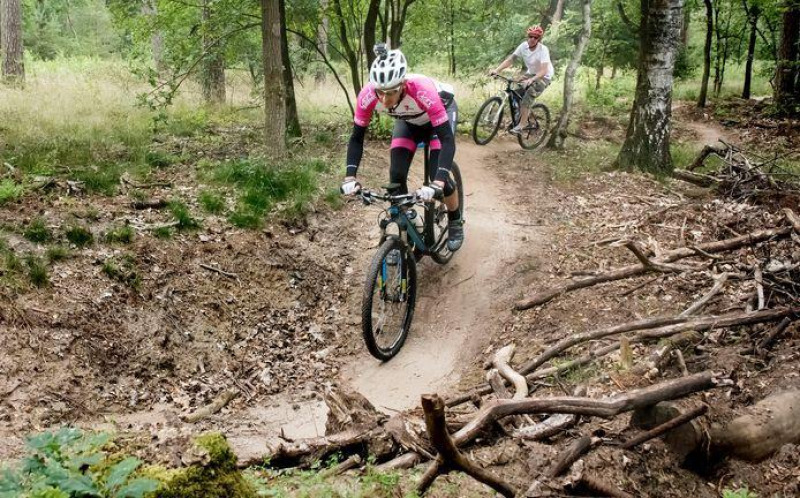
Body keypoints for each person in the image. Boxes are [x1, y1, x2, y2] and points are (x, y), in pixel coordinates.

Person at [341, 44, 463, 252]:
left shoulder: (422, 90)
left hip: (437, 122)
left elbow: (447, 140)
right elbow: (356, 138)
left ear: (403, 85)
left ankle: (455, 221)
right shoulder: (368, 95)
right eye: (380, 93)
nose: (384, 100)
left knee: (439, 177)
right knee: (396, 176)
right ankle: (409, 225)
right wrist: (350, 177)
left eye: (391, 93)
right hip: (408, 123)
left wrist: (438, 183)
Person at [490, 25, 554, 135]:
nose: (533, 39)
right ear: (527, 36)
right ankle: (520, 115)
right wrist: (497, 70)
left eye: (536, 37)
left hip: (544, 76)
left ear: (539, 39)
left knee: (529, 93)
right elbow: (511, 60)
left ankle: (522, 125)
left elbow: (543, 70)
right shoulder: (523, 46)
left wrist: (531, 80)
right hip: (531, 73)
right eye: (531, 36)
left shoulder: (543, 50)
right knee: (516, 91)